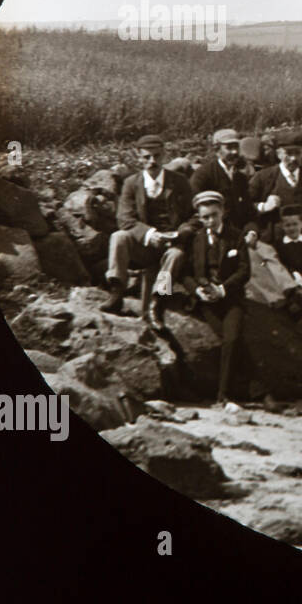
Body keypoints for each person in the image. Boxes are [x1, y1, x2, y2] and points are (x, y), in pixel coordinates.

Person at [101, 134, 195, 327]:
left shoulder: (179, 182)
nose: (152, 161)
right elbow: (124, 218)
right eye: (146, 157)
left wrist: (180, 232)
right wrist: (149, 234)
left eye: (157, 156)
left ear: (164, 156)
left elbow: (194, 216)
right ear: (138, 157)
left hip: (171, 245)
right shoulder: (131, 183)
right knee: (119, 237)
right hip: (143, 246)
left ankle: (158, 302)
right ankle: (117, 290)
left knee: (176, 256)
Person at [180, 191, 250, 406]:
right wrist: (197, 291)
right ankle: (261, 390)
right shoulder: (196, 240)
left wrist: (223, 289)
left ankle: (223, 395)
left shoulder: (236, 236)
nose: (210, 221)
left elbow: (244, 270)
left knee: (231, 339)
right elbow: (185, 273)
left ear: (223, 213)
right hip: (206, 299)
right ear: (199, 218)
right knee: (226, 338)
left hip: (230, 297)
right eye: (205, 217)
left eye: (214, 215)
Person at [248, 128, 302, 245]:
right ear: (279, 154)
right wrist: (263, 206)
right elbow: (246, 206)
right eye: (289, 153)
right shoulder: (263, 177)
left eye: (297, 153)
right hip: (274, 243)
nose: (294, 158)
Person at [190, 128, 259, 244]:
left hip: (240, 236)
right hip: (213, 237)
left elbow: (249, 212)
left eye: (236, 147)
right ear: (217, 150)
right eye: (229, 148)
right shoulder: (203, 175)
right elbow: (195, 212)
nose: (234, 152)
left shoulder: (240, 178)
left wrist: (251, 232)